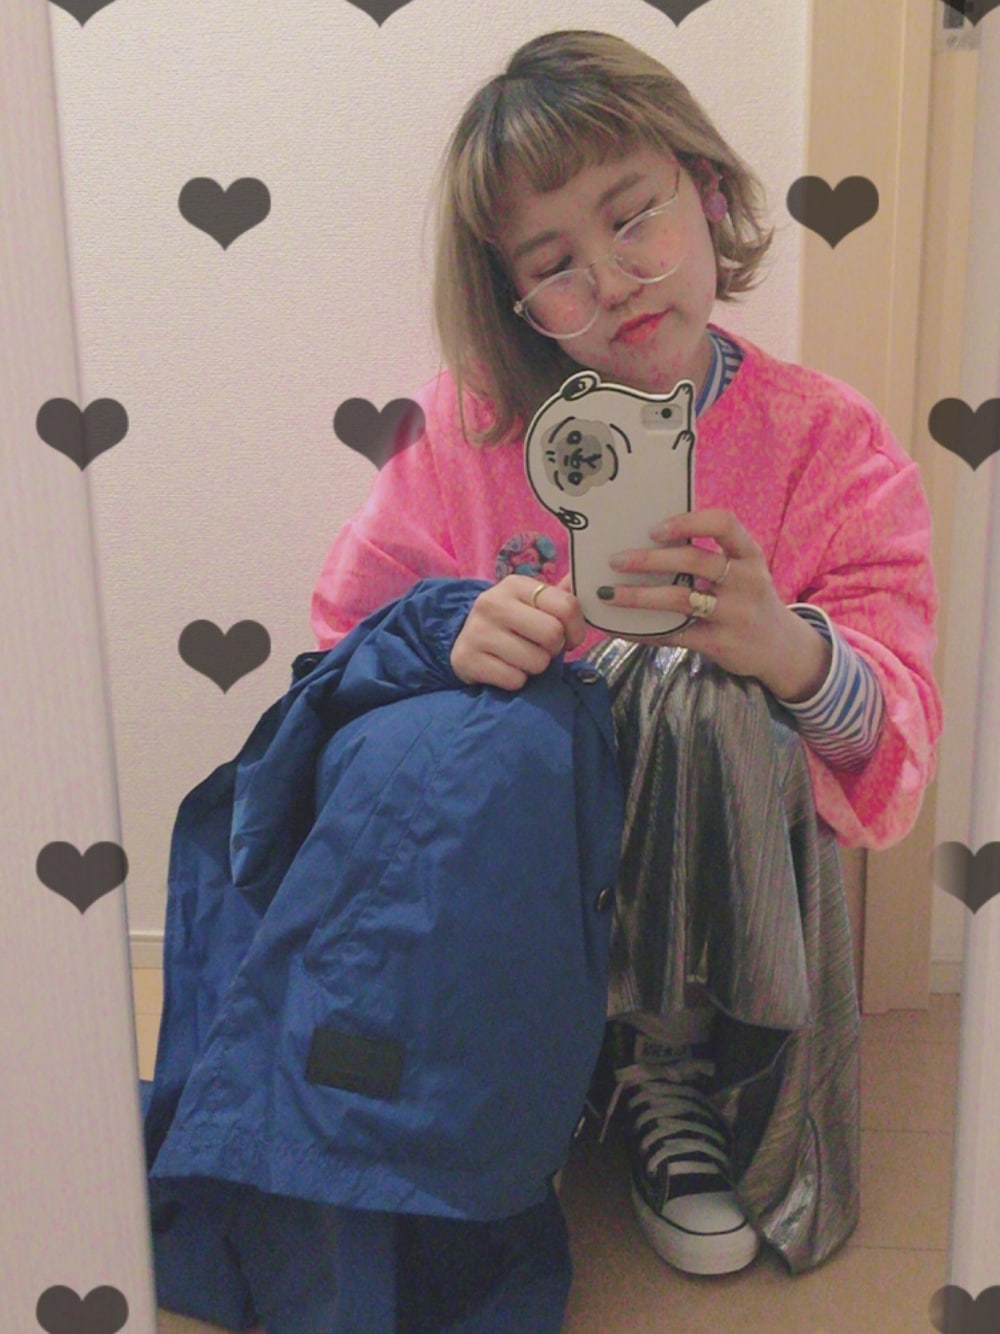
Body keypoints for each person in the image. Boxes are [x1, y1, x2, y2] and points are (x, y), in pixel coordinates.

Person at [310, 28, 942, 1284]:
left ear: (703, 189)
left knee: (697, 683)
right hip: (517, 902)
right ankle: (538, 1061)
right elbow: (342, 655)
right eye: (553, 264)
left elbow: (892, 739)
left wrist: (788, 652)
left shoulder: (827, 441)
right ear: (513, 298)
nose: (611, 279)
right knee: (487, 702)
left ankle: (665, 1063)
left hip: (719, 923)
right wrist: (449, 636)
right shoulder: (467, 429)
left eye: (632, 214)